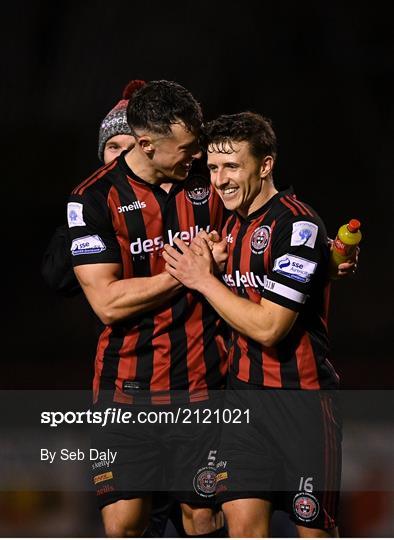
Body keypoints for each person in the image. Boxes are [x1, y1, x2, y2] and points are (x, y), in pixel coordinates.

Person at [163, 111, 346, 537]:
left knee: (313, 532)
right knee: (242, 527)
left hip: (301, 404)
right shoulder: (228, 224)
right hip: (243, 405)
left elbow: (269, 328)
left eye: (232, 166)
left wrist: (204, 281)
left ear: (265, 165)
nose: (220, 179)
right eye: (212, 167)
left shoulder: (297, 226)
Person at [66, 80, 228, 537]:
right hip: (124, 393)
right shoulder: (93, 198)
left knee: (203, 518)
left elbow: (265, 227)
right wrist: (188, 272)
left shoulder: (208, 182)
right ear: (145, 145)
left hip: (202, 384)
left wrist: (324, 261)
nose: (197, 156)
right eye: (187, 148)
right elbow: (107, 303)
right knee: (124, 525)